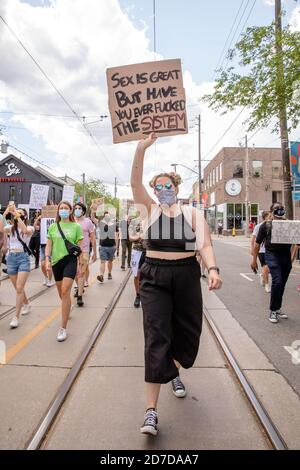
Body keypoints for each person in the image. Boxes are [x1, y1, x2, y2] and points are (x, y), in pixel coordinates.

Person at [131, 133, 222, 436]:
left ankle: (173, 372)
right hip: (154, 276)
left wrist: (212, 269)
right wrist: (141, 149)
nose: (162, 190)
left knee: (185, 335)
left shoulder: (193, 213)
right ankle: (151, 412)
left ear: (177, 187)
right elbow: (134, 183)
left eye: (167, 185)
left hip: (186, 275)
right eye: (158, 187)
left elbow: (205, 244)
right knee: (156, 336)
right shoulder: (149, 210)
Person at [45, 201, 83, 342]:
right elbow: (49, 245)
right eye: (61, 208)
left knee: (66, 291)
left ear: (70, 210)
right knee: (62, 294)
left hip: (70, 261)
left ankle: (63, 328)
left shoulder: (76, 227)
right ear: (58, 211)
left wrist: (80, 265)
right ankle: (68, 305)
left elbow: (79, 249)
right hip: (56, 262)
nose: (63, 210)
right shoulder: (53, 227)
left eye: (66, 208)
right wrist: (47, 260)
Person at [251, 203, 293, 324]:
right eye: (276, 209)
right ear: (271, 212)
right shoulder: (266, 225)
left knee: (282, 284)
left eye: (281, 209)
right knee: (277, 280)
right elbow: (257, 244)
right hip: (272, 255)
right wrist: (253, 260)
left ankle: (278, 308)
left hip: (285, 257)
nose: (279, 211)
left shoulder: (289, 224)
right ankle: (273, 310)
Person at [3, 204, 34, 328]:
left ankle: (16, 316)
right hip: (11, 258)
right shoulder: (11, 228)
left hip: (23, 259)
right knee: (17, 288)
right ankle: (26, 303)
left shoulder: (29, 227)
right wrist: (5, 213)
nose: (17, 214)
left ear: (24, 216)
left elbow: (26, 231)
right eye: (16, 213)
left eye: (20, 213)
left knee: (20, 287)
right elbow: (1, 228)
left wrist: (16, 214)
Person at [73, 203, 97, 307]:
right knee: (74, 273)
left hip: (84, 251)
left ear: (83, 211)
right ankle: (79, 288)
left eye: (79, 208)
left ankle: (79, 296)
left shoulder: (88, 222)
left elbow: (92, 238)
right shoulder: (71, 221)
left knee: (81, 273)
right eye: (76, 208)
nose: (77, 210)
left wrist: (95, 252)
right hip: (71, 251)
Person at [92, 211, 118, 283]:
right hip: (102, 246)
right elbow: (93, 218)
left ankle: (109, 273)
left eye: (108, 216)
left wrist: (117, 246)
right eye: (106, 216)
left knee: (110, 261)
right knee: (102, 261)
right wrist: (93, 210)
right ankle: (101, 276)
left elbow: (116, 235)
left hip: (112, 246)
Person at [251, 211, 272, 293]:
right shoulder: (258, 227)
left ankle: (263, 275)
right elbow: (253, 239)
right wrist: (253, 250)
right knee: (265, 267)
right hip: (261, 250)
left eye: (271, 216)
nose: (271, 217)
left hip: (270, 250)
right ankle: (267, 285)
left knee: (270, 268)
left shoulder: (272, 225)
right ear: (265, 217)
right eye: (269, 216)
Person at [129, 211, 145, 308]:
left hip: (151, 251)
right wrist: (140, 236)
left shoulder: (152, 220)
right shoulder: (134, 222)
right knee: (136, 275)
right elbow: (131, 238)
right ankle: (138, 295)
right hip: (137, 251)